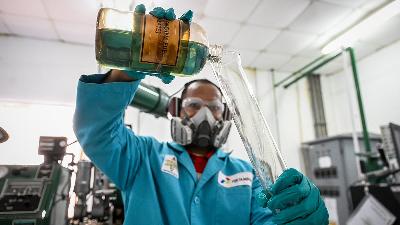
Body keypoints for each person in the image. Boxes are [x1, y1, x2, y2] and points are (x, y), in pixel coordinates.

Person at [73, 5, 329, 225]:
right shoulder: (143, 157)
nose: (205, 114)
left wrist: (298, 218)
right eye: (194, 105)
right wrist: (130, 67)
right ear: (175, 110)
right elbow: (97, 131)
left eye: (214, 107)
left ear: (226, 115)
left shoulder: (249, 176)